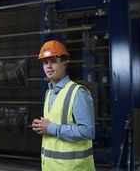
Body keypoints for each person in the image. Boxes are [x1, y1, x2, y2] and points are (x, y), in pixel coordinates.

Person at [32, 39, 95, 171]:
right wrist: (42, 127)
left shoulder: (78, 93)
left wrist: (51, 128)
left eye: (53, 61)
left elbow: (88, 131)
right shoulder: (48, 93)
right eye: (45, 62)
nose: (48, 66)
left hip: (74, 168)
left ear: (65, 63)